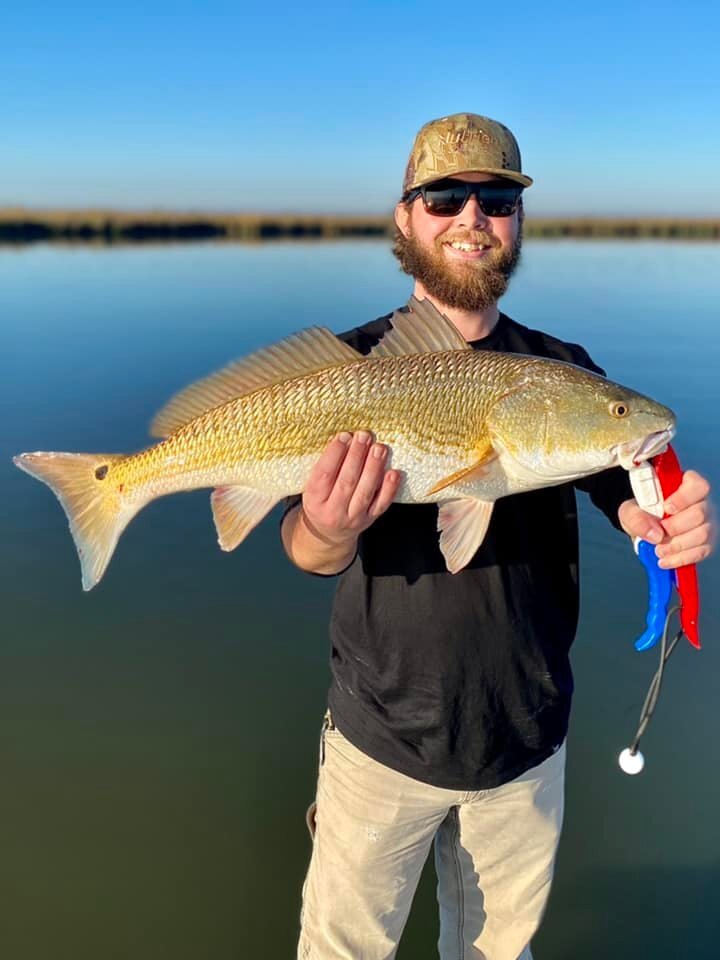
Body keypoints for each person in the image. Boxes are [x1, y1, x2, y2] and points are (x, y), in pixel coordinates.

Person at [280, 113, 714, 960]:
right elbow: (306, 550)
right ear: (406, 217)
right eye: (445, 197)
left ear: (517, 222)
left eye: (497, 200)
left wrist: (662, 523)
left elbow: (618, 480)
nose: (472, 218)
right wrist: (326, 528)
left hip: (526, 745)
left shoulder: (562, 369)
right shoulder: (344, 370)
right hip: (380, 744)